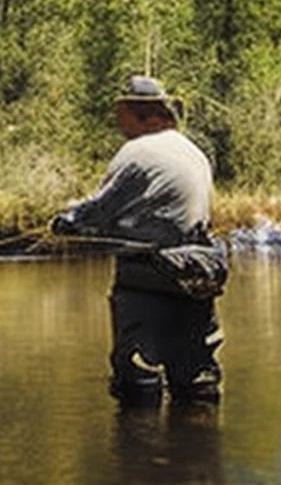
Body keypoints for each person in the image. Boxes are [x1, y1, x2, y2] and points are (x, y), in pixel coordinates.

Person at [50, 76, 226, 408]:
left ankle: (137, 452)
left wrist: (67, 221)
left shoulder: (137, 152)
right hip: (198, 273)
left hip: (148, 276)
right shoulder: (194, 151)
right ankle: (199, 447)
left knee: (138, 380)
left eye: (122, 115)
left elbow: (103, 209)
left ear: (141, 114)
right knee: (197, 379)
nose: (119, 123)